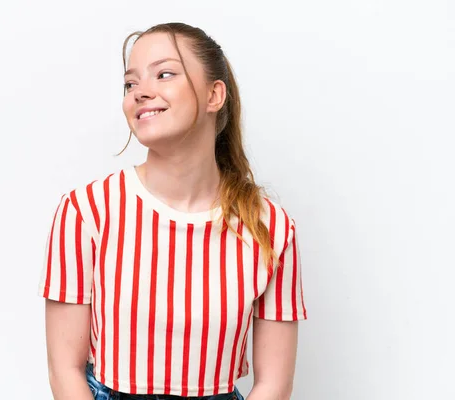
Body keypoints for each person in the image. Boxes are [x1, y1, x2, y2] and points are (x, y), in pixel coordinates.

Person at [38, 22, 307, 400]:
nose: (141, 92)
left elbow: (274, 385)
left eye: (164, 74)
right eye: (130, 84)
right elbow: (64, 370)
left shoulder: (271, 228)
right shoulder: (86, 212)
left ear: (215, 95)